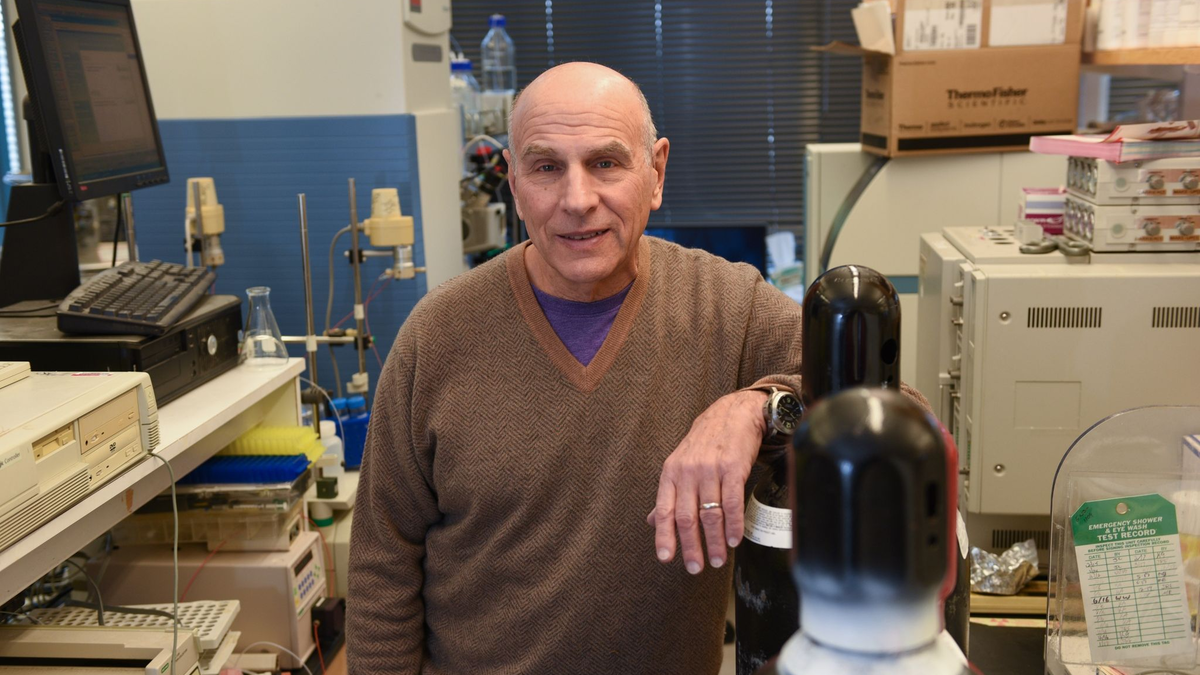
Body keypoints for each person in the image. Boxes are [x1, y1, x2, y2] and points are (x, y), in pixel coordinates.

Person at [346, 61, 924, 674]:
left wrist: (758, 408)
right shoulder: (438, 335)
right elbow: (382, 566)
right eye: (546, 168)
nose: (577, 200)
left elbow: (903, 418)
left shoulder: (727, 307)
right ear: (513, 182)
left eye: (605, 163)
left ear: (656, 172)